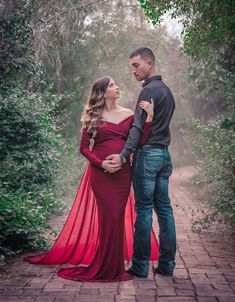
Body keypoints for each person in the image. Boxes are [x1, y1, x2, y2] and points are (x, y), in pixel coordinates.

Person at [24, 75, 159, 282]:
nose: (117, 87)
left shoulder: (130, 114)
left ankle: (113, 266)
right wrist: (101, 163)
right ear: (103, 92)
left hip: (122, 174)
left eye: (116, 83)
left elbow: (139, 140)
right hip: (101, 174)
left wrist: (149, 118)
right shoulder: (93, 116)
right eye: (113, 85)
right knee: (108, 219)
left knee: (116, 217)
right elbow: (84, 148)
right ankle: (106, 267)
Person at [106, 47, 176, 278]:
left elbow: (137, 128)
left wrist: (124, 154)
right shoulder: (166, 91)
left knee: (144, 210)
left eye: (136, 65)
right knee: (164, 210)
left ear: (149, 63)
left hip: (148, 156)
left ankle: (139, 266)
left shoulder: (148, 92)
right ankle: (166, 267)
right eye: (131, 67)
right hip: (164, 155)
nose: (133, 71)